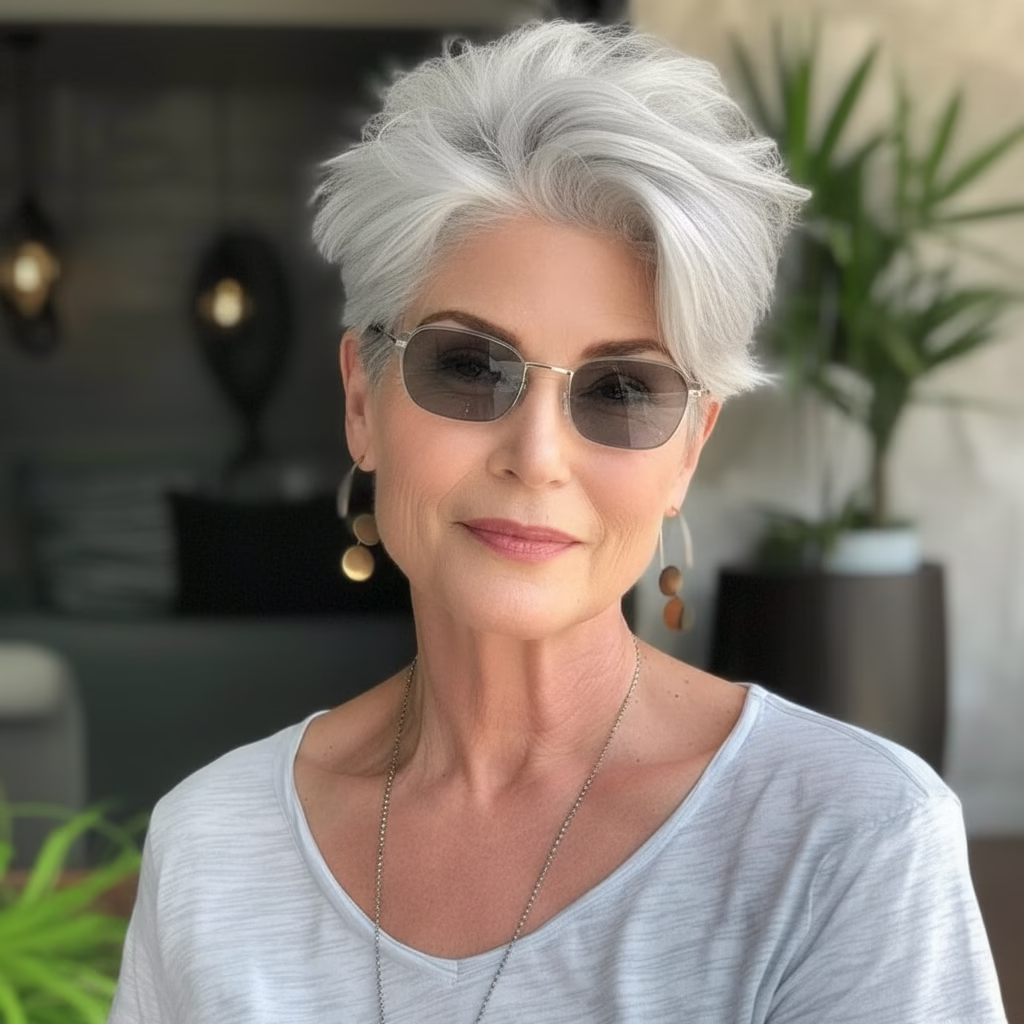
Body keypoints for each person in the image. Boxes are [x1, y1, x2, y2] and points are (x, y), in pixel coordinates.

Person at [109, 19, 1006, 1024]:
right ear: (362, 400)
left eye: (621, 389)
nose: (536, 456)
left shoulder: (851, 839)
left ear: (688, 450)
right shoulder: (213, 843)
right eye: (467, 366)